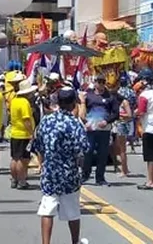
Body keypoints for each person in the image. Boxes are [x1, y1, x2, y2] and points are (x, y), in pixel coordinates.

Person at [31, 88, 90, 244]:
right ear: (72, 104)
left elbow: (38, 145)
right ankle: (74, 241)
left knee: (47, 209)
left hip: (50, 171)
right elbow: (83, 148)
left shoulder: (46, 121)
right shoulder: (74, 124)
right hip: (69, 171)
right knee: (72, 210)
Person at [81, 75, 119, 186]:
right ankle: (85, 175)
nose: (101, 84)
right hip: (90, 128)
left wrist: (107, 121)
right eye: (99, 82)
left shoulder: (110, 97)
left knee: (103, 154)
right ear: (95, 82)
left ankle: (100, 178)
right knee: (88, 151)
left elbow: (116, 113)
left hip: (104, 129)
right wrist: (84, 123)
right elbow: (82, 110)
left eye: (103, 82)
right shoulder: (88, 95)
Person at [10, 80, 37, 190]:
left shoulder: (14, 101)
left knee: (15, 158)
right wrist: (31, 133)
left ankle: (14, 179)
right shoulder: (24, 103)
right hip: (23, 134)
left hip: (15, 132)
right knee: (22, 159)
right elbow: (26, 120)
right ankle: (21, 180)